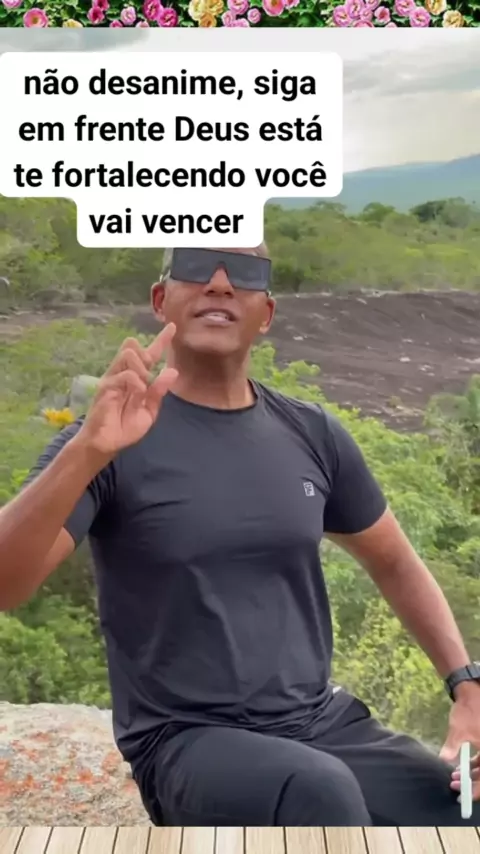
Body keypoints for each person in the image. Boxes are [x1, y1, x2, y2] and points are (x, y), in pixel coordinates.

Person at [0, 245, 479, 828]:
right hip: (186, 742)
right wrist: (86, 451)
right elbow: (6, 584)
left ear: (266, 313)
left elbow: (396, 563)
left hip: (318, 724)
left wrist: (466, 685)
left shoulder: (312, 433)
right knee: (318, 790)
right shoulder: (107, 441)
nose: (220, 284)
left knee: (464, 806)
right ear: (160, 300)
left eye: (244, 273)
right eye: (198, 264)